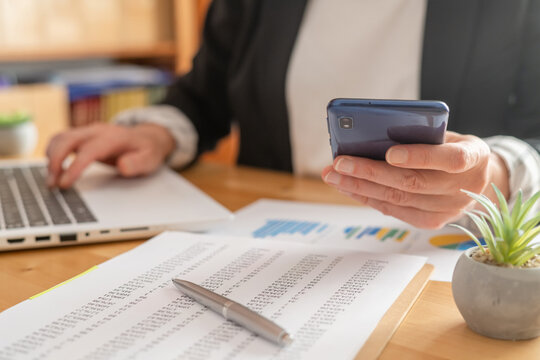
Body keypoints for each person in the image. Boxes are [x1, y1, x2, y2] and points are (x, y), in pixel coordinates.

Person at [46, 0, 540, 229]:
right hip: (274, 240)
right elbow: (202, 96)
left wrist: (495, 174)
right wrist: (157, 132)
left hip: (447, 251)